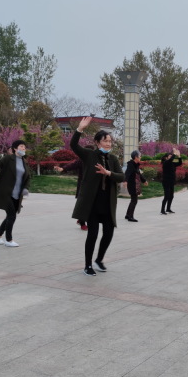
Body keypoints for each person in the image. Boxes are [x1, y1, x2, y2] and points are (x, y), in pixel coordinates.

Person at [70, 116, 125, 275]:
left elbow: (121, 177)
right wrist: (80, 129)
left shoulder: (113, 159)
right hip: (93, 203)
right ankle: (88, 265)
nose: (108, 144)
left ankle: (99, 260)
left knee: (108, 233)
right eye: (105, 141)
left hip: (107, 203)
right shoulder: (89, 155)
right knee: (92, 234)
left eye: (110, 141)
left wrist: (108, 173)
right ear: (97, 142)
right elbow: (74, 145)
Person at [54, 154, 88, 230]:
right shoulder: (81, 160)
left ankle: (81, 219)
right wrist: (62, 168)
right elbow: (72, 165)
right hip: (83, 186)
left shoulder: (96, 160)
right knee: (82, 205)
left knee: (90, 205)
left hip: (92, 186)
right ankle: (82, 222)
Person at [124, 150, 147, 222]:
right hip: (132, 185)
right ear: (136, 157)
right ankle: (130, 217)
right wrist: (125, 181)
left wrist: (144, 181)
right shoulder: (131, 165)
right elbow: (127, 173)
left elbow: (139, 174)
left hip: (135, 185)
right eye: (140, 156)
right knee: (134, 200)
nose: (140, 157)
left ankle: (128, 215)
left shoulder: (135, 165)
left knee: (133, 200)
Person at [160, 148, 182, 214]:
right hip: (166, 182)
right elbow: (170, 160)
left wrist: (179, 156)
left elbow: (180, 163)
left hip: (171, 181)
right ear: (166, 158)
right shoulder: (165, 163)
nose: (171, 157)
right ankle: (162, 210)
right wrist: (174, 153)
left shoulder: (172, 163)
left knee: (171, 196)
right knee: (166, 196)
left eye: (171, 156)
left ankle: (168, 209)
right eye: (169, 156)